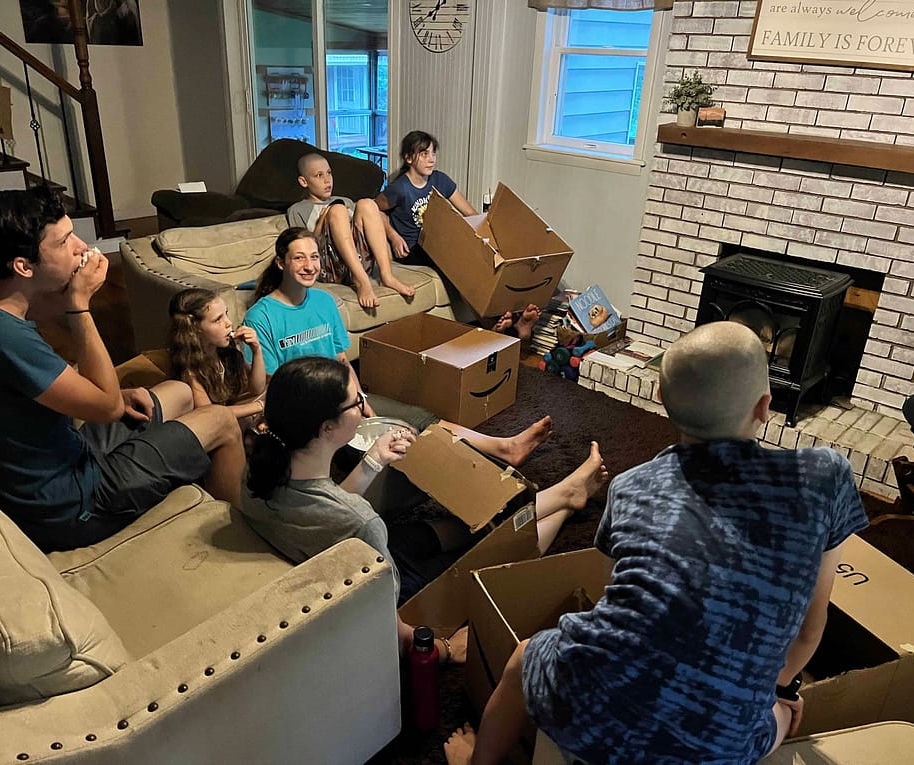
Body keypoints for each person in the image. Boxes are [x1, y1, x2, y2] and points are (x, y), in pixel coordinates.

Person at [445, 321, 869, 765]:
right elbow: (807, 629)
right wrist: (779, 694)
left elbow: (631, 604)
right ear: (765, 406)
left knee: (523, 659)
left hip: (592, 717)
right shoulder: (824, 478)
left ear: (662, 402)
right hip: (718, 747)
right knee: (783, 712)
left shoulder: (631, 488)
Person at [241, 355, 608, 659]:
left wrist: (373, 462)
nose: (366, 407)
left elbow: (329, 505)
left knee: (453, 530)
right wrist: (446, 649)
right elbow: (384, 619)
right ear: (325, 428)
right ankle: (566, 500)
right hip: (380, 586)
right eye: (357, 401)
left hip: (330, 555)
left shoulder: (256, 472)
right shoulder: (360, 523)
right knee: (496, 551)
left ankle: (564, 495)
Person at [0, 188, 245, 552]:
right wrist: (79, 304)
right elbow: (107, 408)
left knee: (179, 391)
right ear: (23, 266)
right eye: (64, 241)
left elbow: (55, 387)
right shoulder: (2, 336)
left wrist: (116, 392)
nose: (81, 247)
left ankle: (199, 474)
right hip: (72, 505)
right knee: (223, 421)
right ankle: (240, 533)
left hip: (63, 458)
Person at [242, 226, 553, 468]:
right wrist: (346, 412)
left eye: (314, 257)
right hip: (304, 411)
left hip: (341, 394)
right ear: (281, 263)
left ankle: (503, 447)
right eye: (299, 258)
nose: (309, 265)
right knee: (377, 453)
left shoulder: (323, 301)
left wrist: (359, 397)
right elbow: (273, 387)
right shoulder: (262, 316)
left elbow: (340, 359)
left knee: (415, 420)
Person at [287, 152, 415, 309]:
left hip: (360, 259)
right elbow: (302, 247)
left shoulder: (346, 201)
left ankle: (387, 275)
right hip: (329, 268)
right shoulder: (297, 210)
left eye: (329, 173)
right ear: (304, 181)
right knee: (338, 210)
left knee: (367, 204)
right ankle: (362, 282)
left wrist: (394, 236)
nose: (327, 180)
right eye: (318, 175)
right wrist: (323, 220)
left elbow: (368, 223)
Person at [167, 287, 267, 431]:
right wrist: (260, 406)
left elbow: (257, 388)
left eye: (226, 314)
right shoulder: (190, 370)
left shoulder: (226, 352)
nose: (229, 323)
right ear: (195, 329)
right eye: (218, 319)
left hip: (229, 421)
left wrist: (256, 350)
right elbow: (210, 414)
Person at [376, 130, 478, 268]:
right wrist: (394, 237)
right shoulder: (400, 188)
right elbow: (374, 209)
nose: (432, 159)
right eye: (425, 154)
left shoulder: (440, 179)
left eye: (433, 153)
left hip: (438, 241)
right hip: (413, 248)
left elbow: (470, 213)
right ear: (409, 158)